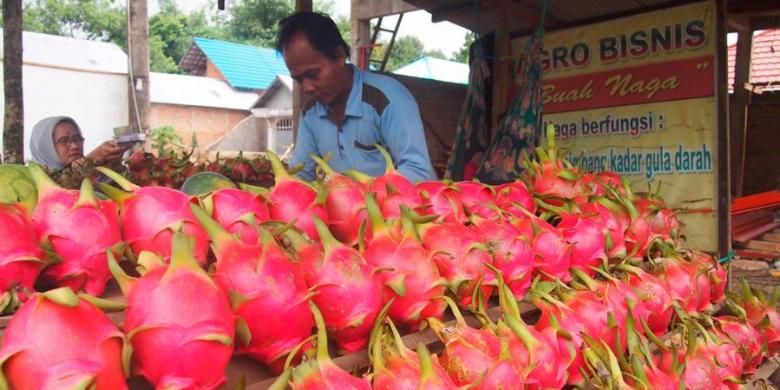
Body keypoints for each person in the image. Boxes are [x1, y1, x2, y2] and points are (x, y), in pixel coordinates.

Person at [276, 11, 437, 182]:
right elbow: (302, 174)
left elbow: (418, 171)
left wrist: (364, 200)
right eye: (299, 79)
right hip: (351, 206)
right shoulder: (310, 113)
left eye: (313, 74)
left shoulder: (387, 99)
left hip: (406, 206)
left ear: (339, 56)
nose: (306, 87)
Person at [30, 116, 128, 170]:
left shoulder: (93, 175)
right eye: (64, 141)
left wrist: (113, 164)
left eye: (77, 139)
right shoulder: (30, 184)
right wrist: (92, 158)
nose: (74, 146)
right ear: (46, 148)